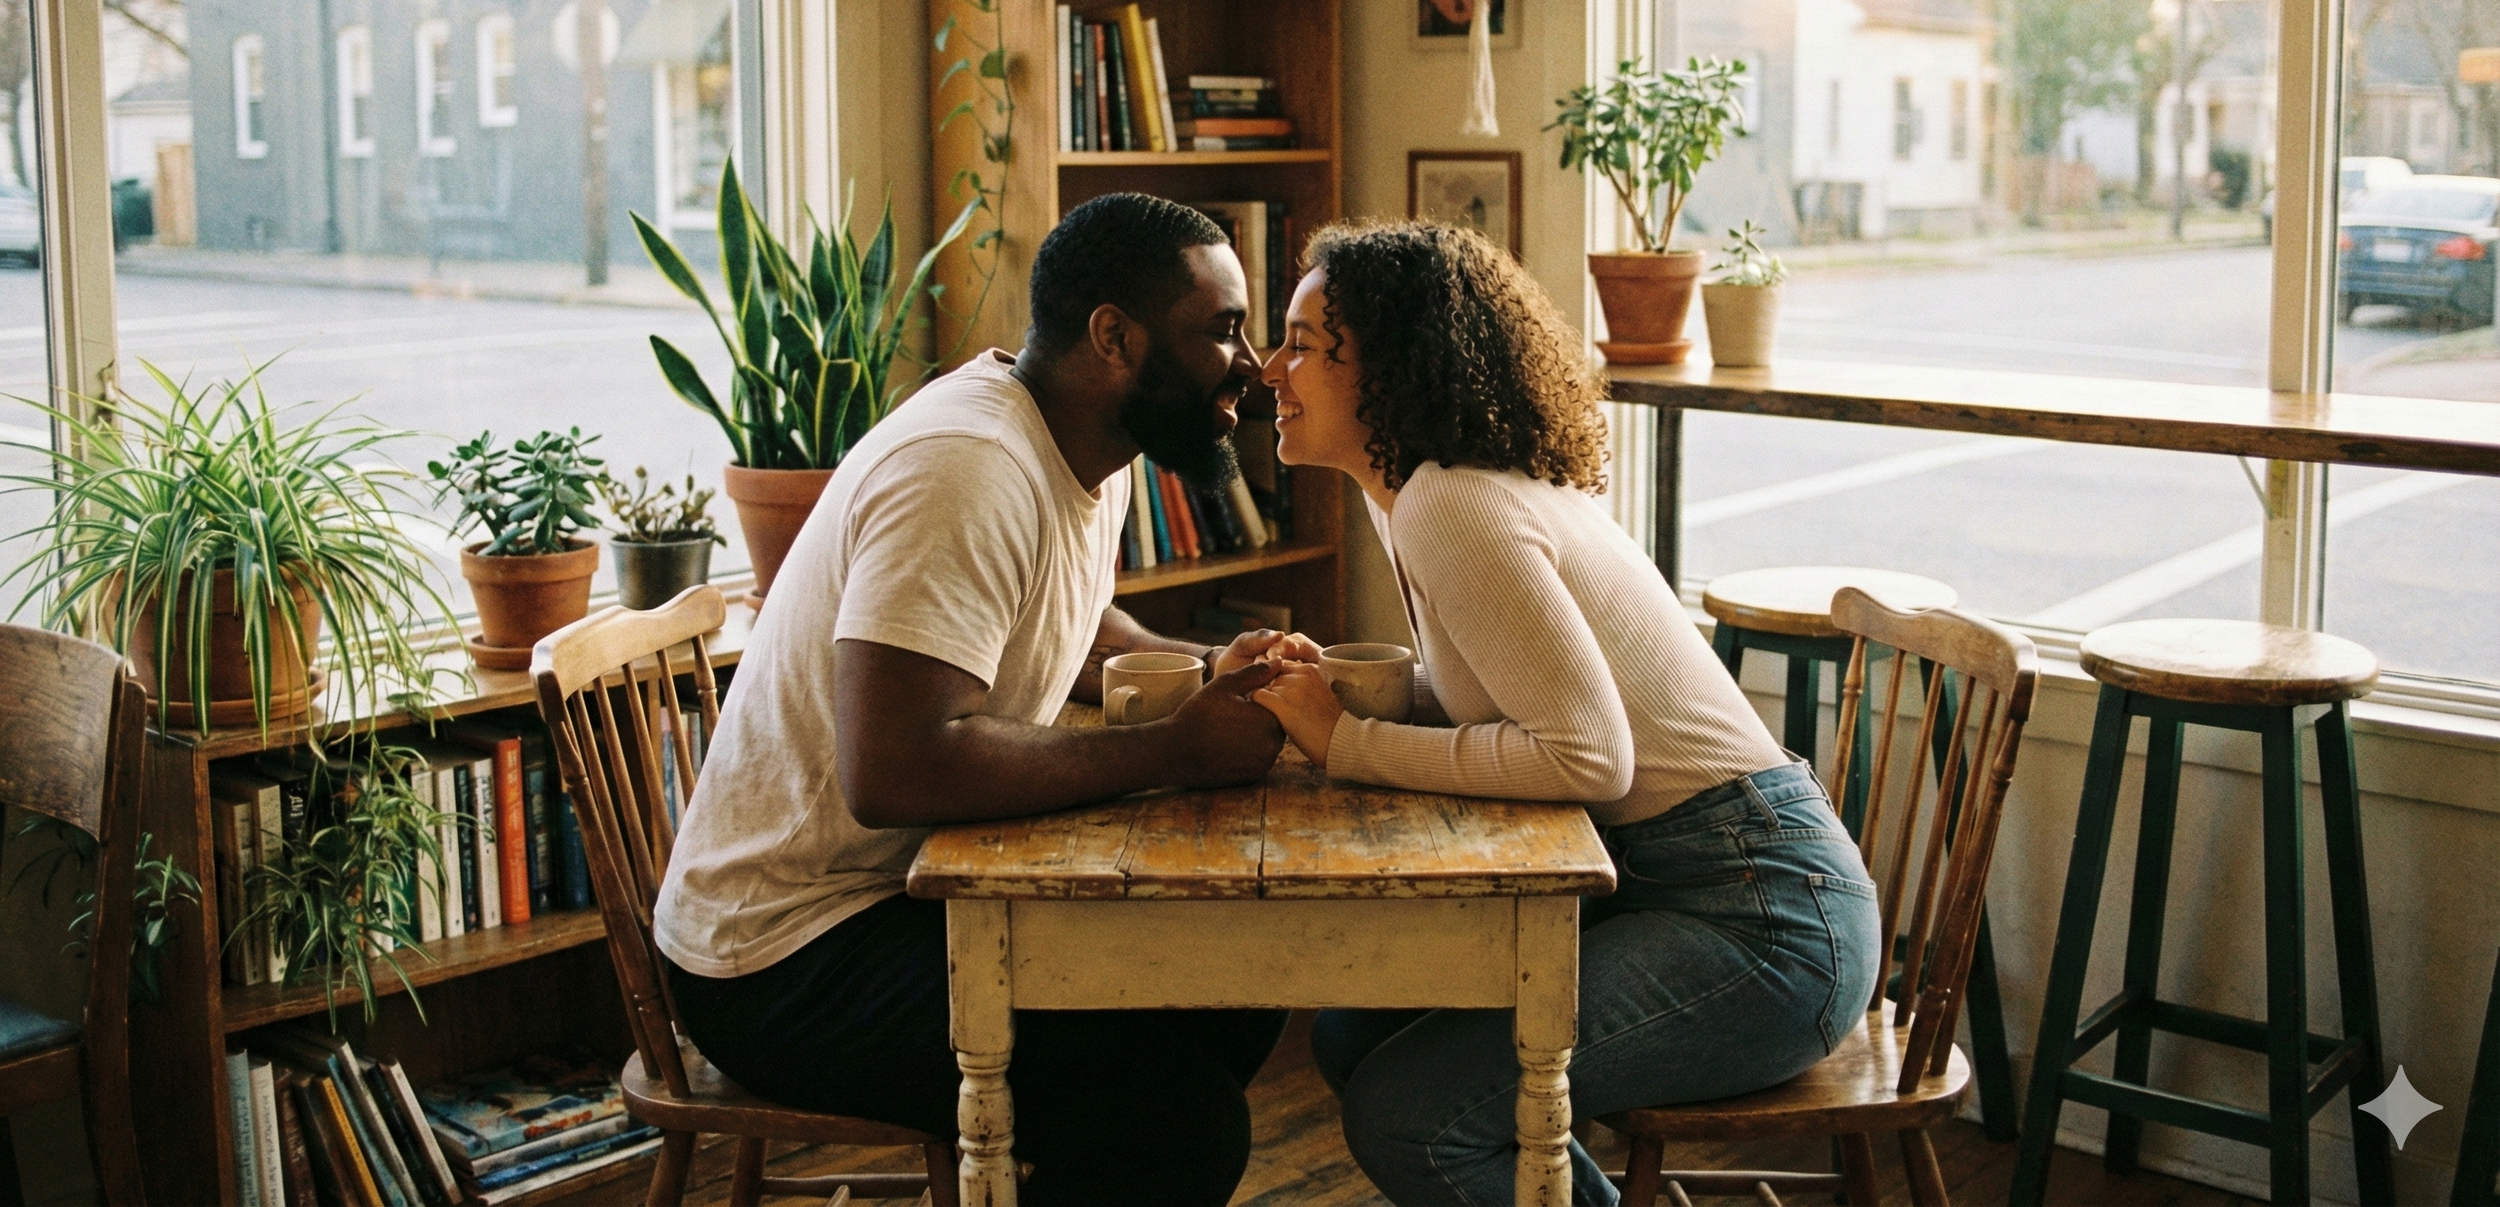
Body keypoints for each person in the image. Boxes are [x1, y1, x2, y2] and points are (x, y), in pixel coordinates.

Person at [652, 193, 1317, 1206]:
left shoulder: (1087, 442)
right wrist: (1174, 751)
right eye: (1222, 329)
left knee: (1228, 988)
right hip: (785, 950)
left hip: (904, 896)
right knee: (1178, 1120)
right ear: (1112, 336)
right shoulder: (968, 469)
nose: (1255, 362)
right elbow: (896, 767)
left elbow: (1082, 628)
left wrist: (1218, 665)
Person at [1249, 220, 1883, 1206]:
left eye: (1300, 341)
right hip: (1688, 889)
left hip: (1760, 921)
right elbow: (1507, 695)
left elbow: (1586, 757)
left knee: (1413, 1111)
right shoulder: (1422, 491)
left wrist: (1348, 741)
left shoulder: (1449, 503)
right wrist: (1341, 691)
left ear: (1390, 367)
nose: (1269, 369)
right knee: (1353, 1033)